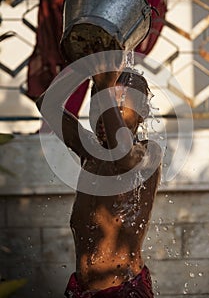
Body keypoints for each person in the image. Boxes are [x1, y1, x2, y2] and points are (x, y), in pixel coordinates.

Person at [36, 44, 162, 297]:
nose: (105, 116)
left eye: (116, 107)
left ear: (143, 113)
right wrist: (86, 65)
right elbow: (47, 105)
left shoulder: (147, 153)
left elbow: (124, 156)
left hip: (124, 290)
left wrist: (105, 87)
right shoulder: (90, 151)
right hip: (81, 288)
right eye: (99, 104)